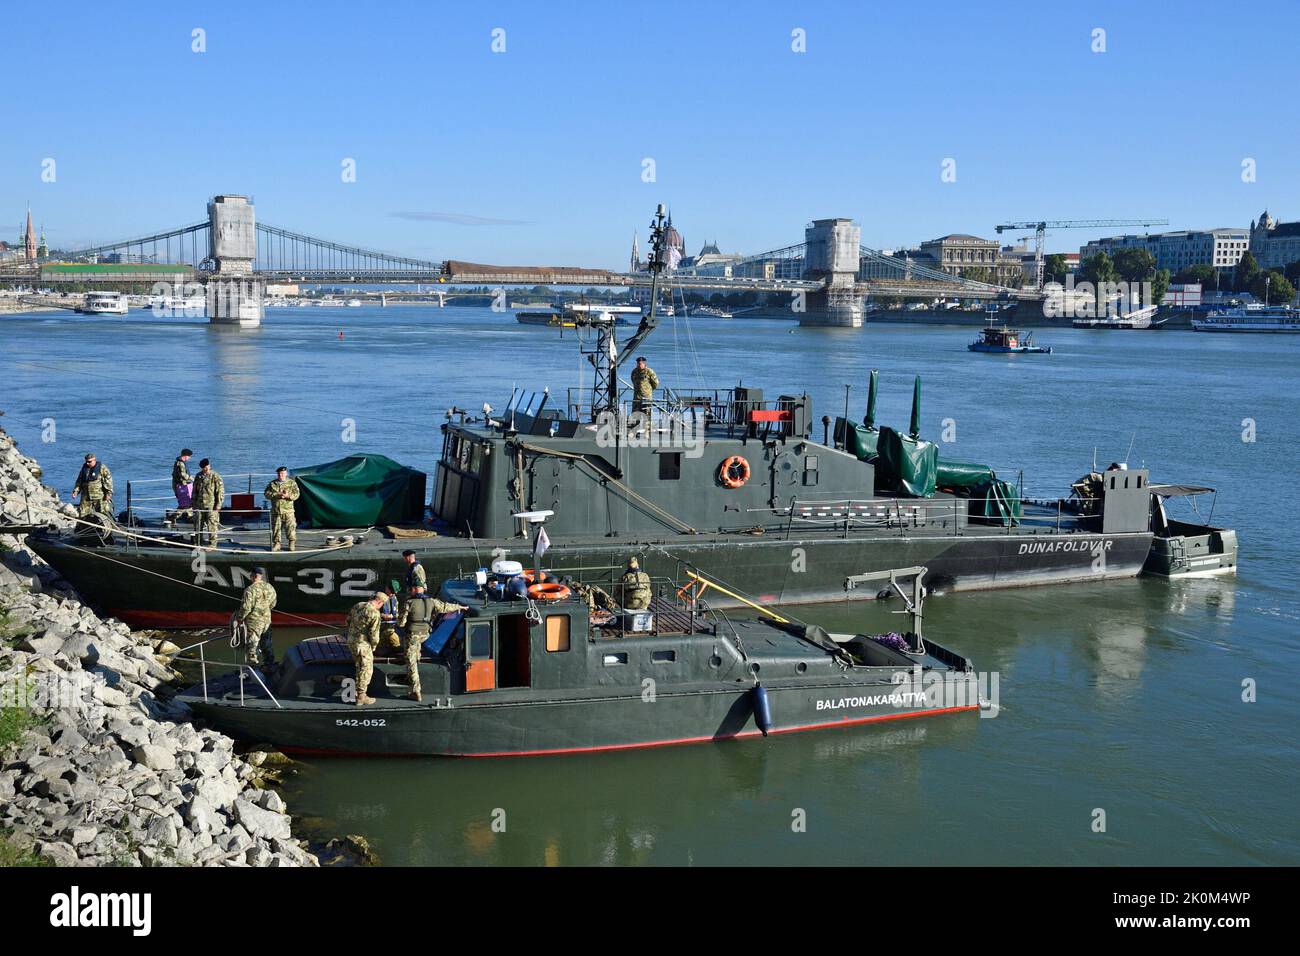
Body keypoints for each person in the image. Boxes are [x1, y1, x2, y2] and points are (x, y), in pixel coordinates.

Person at [397, 583, 468, 701]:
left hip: (413, 636)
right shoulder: (432, 601)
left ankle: (416, 691)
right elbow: (446, 607)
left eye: (411, 589)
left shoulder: (409, 603)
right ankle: (418, 656)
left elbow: (401, 623)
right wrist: (460, 607)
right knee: (417, 649)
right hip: (425, 635)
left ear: (414, 590)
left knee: (411, 662)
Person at [346, 592, 386, 706]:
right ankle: (361, 696)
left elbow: (347, 621)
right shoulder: (375, 613)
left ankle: (357, 692)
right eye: (382, 604)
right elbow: (374, 635)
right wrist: (373, 647)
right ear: (379, 602)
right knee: (366, 669)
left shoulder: (358, 605)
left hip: (351, 641)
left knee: (359, 666)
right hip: (362, 644)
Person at [237, 567, 278, 667]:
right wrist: (265, 611)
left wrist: (240, 618)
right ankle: (270, 665)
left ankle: (253, 668)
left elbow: (246, 607)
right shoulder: (269, 587)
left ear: (252, 576)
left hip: (254, 622)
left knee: (252, 646)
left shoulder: (250, 590)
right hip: (266, 621)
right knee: (267, 644)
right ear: (261, 576)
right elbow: (273, 602)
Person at [263, 466, 301, 552]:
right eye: (279, 474)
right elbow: (266, 494)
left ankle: (291, 542)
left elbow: (297, 495)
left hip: (288, 510)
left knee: (290, 528)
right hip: (276, 510)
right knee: (276, 528)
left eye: (283, 473)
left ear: (286, 474)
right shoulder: (272, 484)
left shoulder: (292, 483)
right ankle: (277, 544)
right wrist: (276, 495)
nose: (281, 475)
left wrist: (287, 496)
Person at [191, 458, 225, 547]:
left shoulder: (215, 476)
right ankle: (198, 541)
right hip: (199, 504)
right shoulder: (198, 476)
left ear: (209, 466)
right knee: (198, 524)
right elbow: (194, 491)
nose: (205, 469)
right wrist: (193, 504)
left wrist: (218, 504)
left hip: (211, 505)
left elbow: (220, 491)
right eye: (203, 468)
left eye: (206, 467)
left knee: (212, 525)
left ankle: (212, 544)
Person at [71, 453, 113, 518]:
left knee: (102, 514)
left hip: (99, 496)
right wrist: (76, 491)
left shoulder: (102, 468)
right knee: (83, 514)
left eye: (89, 462)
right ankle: (83, 526)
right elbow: (79, 481)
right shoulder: (84, 468)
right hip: (86, 496)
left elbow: (108, 481)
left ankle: (104, 526)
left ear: (94, 460)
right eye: (86, 461)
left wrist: (109, 493)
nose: (87, 463)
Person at [630, 355, 659, 428]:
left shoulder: (649, 372)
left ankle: (647, 429)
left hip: (646, 397)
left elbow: (655, 383)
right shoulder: (634, 371)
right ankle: (635, 428)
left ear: (644, 363)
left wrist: (648, 391)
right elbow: (633, 380)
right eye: (637, 363)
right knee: (636, 414)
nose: (639, 365)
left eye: (640, 363)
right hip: (637, 397)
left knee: (647, 413)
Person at [378, 582, 402, 652]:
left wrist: (396, 616)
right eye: (391, 592)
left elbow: (396, 613)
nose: (392, 594)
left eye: (394, 592)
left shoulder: (394, 598)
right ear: (387, 588)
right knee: (378, 648)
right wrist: (383, 615)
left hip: (390, 628)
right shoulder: (378, 597)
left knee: (396, 643)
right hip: (378, 629)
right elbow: (371, 613)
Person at [172, 448, 193, 519]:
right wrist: (192, 479)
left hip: (182, 485)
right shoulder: (180, 463)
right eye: (189, 456)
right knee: (184, 504)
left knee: (187, 503)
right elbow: (183, 475)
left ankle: (190, 516)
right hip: (181, 486)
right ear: (186, 456)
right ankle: (172, 517)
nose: (189, 458)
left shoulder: (179, 462)